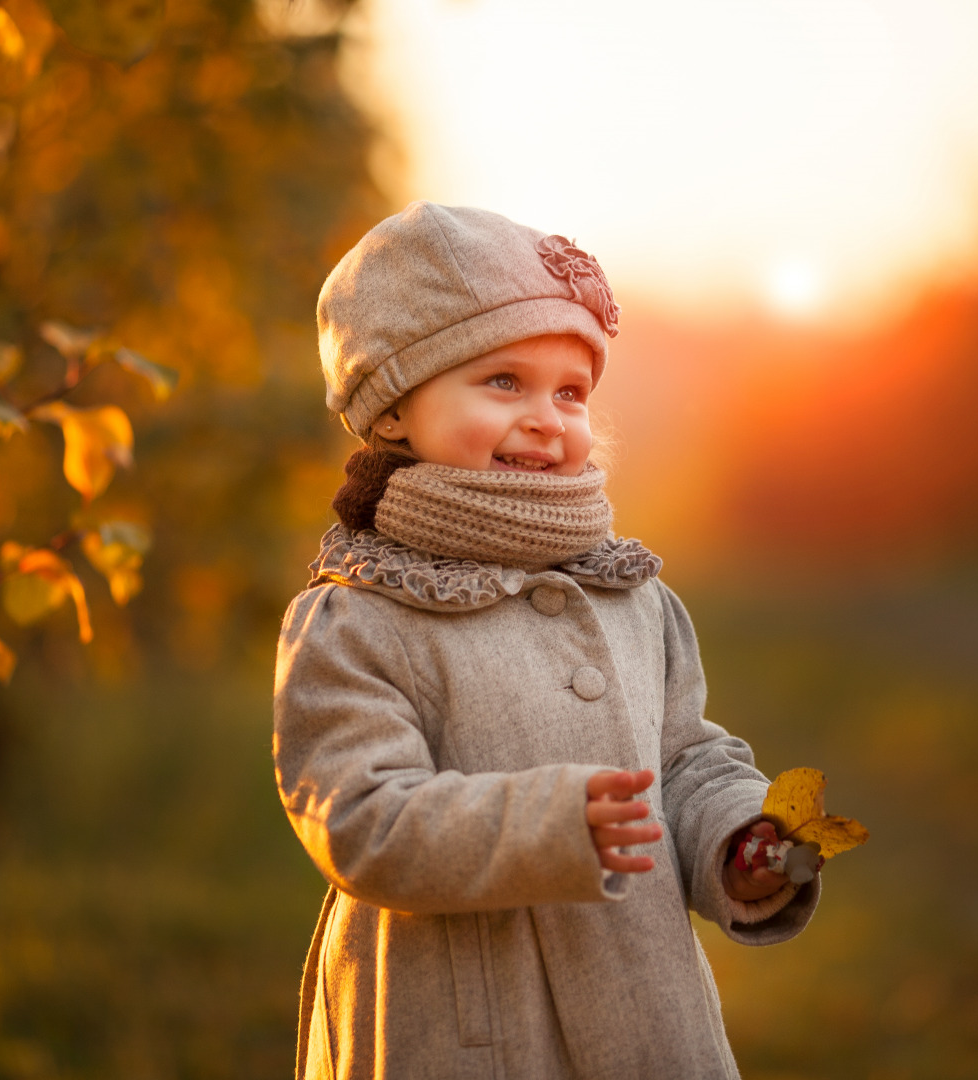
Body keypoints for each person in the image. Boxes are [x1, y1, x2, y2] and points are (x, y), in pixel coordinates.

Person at [274, 202, 819, 1079]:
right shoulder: (361, 615)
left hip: (642, 1013)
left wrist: (733, 839)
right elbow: (361, 818)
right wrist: (547, 824)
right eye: (502, 383)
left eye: (570, 392)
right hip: (457, 1028)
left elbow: (681, 759)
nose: (545, 417)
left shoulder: (629, 596)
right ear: (393, 412)